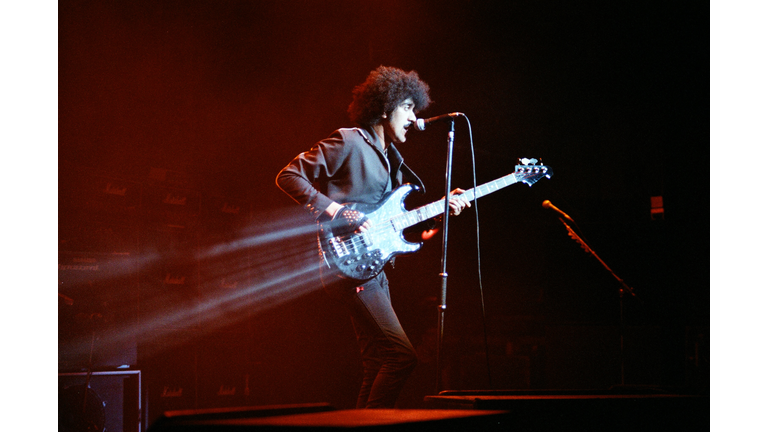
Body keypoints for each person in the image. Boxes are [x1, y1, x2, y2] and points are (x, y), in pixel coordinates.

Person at [276, 66, 470, 408]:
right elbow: (289, 176)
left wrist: (441, 208)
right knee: (401, 357)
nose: (414, 118)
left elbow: (393, 221)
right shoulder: (349, 140)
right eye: (408, 107)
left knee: (375, 363)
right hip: (347, 262)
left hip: (375, 267)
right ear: (385, 107)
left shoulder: (393, 159)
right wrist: (336, 211)